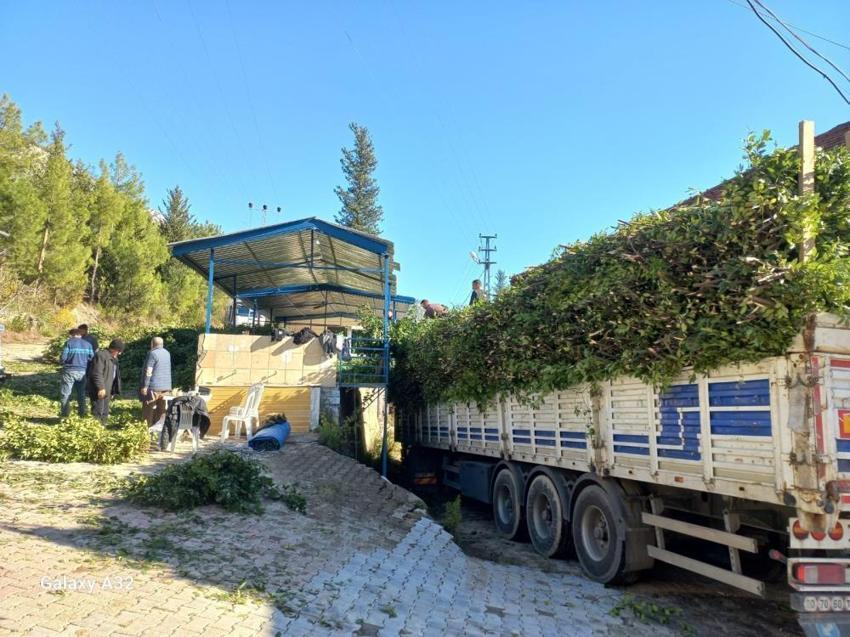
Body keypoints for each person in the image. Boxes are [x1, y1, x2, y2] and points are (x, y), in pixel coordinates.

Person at [87, 339, 124, 424]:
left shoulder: (114, 358)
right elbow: (96, 373)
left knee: (105, 410)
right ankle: (96, 429)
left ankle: (103, 427)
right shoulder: (101, 356)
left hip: (108, 388)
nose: (120, 353)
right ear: (113, 349)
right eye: (119, 351)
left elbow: (114, 375)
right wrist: (101, 388)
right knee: (97, 410)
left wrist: (113, 390)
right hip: (99, 389)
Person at [59, 328, 94, 417]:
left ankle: (65, 415)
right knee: (81, 394)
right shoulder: (88, 344)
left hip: (69, 371)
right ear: (80, 335)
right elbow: (92, 358)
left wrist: (63, 362)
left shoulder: (69, 343)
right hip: (82, 372)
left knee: (65, 394)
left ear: (72, 335)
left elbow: (63, 358)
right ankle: (82, 414)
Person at [140, 336, 172, 427]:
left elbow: (149, 370)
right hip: (165, 387)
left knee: (148, 410)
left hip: (153, 387)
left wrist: (145, 386)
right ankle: (159, 430)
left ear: (152, 344)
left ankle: (146, 429)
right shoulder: (167, 353)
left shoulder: (152, 354)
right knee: (161, 411)